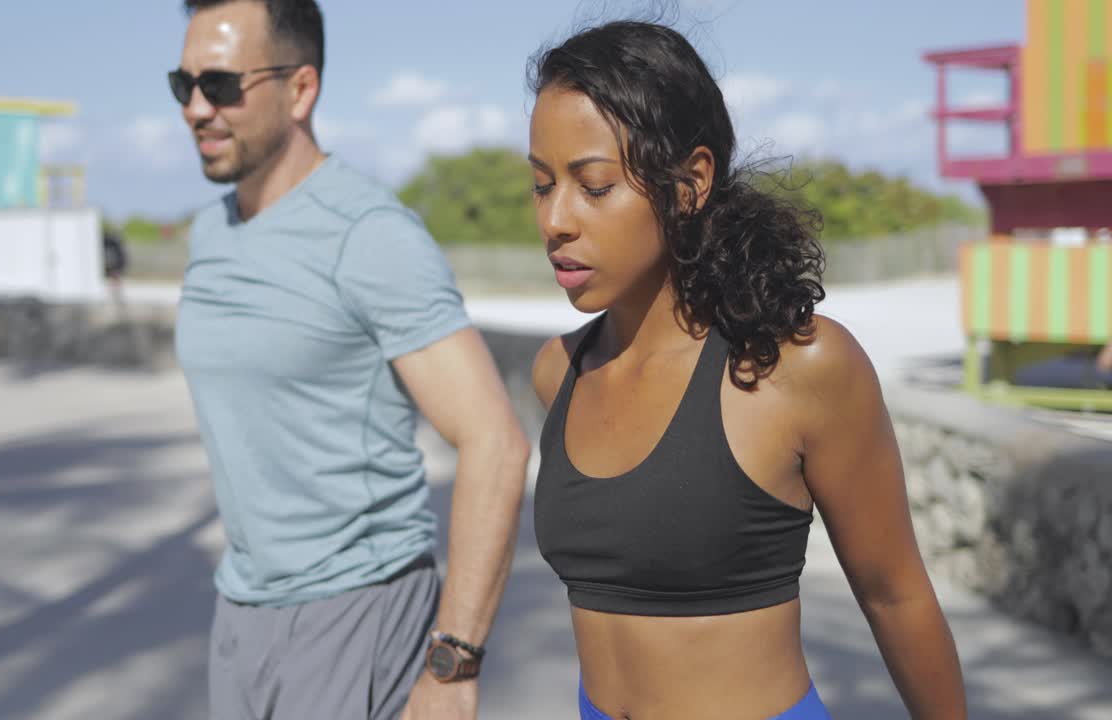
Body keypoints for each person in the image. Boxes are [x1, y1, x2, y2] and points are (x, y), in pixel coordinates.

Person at [527, 21, 968, 720]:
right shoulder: (560, 372)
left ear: (690, 182)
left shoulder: (796, 369)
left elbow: (895, 594)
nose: (555, 219)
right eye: (542, 185)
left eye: (594, 186)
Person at [170, 1, 531, 718]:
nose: (196, 110)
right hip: (240, 614)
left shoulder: (370, 236)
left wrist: (453, 664)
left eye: (221, 86)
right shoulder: (208, 235)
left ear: (301, 89)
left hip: (356, 614)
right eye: (184, 87)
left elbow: (495, 440)